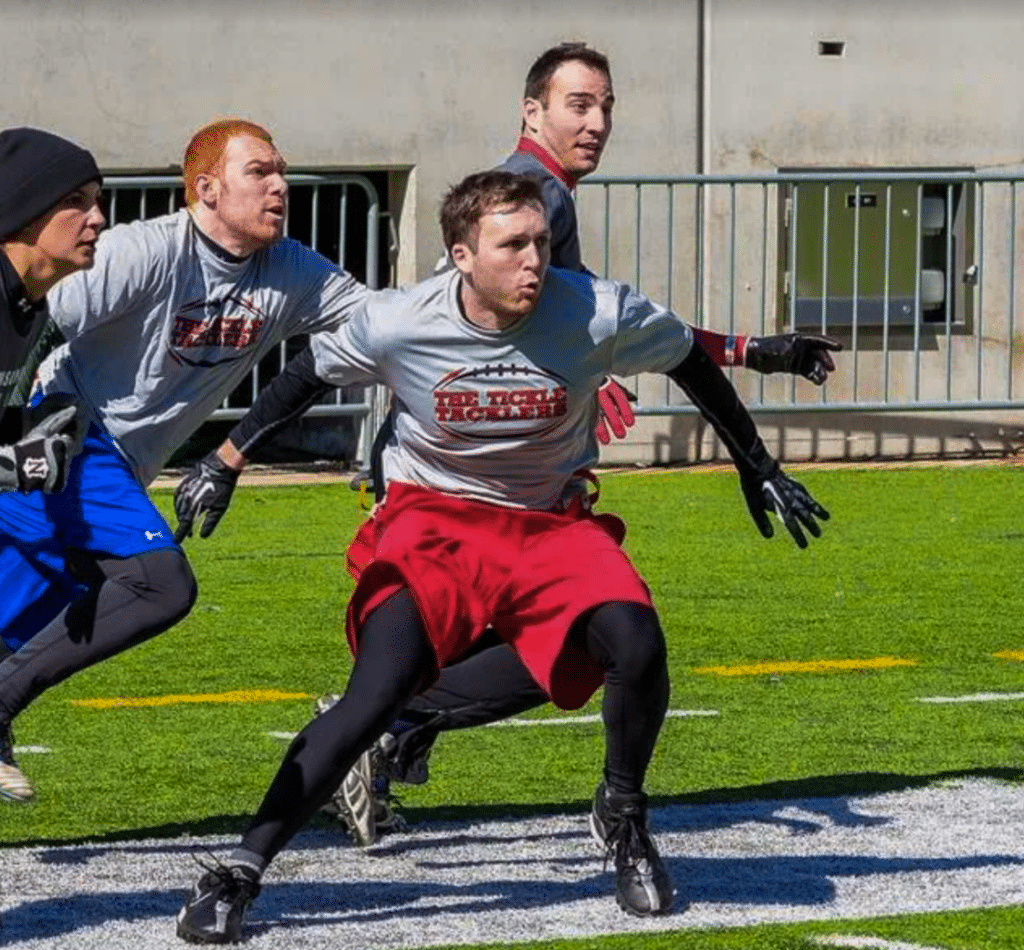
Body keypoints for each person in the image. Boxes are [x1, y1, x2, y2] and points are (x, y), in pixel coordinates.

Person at [173, 43, 841, 847]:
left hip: (496, 471)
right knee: (533, 640)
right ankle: (361, 747)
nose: (597, 123)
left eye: (606, 106)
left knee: (585, 634)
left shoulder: (541, 202)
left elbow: (610, 321)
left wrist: (738, 357)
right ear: (532, 112)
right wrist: (228, 457)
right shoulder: (533, 196)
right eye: (578, 104)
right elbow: (457, 327)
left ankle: (389, 727)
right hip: (448, 474)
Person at [0, 118, 368, 805]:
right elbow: (36, 320)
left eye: (282, 171)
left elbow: (383, 329)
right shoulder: (142, 252)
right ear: (206, 188)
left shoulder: (291, 269)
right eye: (259, 171)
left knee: (20, 625)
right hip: (67, 434)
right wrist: (17, 434)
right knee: (158, 583)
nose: (280, 186)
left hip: (116, 468)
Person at [0, 127, 103, 503]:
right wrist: (15, 466)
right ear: (25, 211)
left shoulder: (32, 305)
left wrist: (25, 426)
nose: (98, 218)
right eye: (76, 201)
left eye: (97, 201)